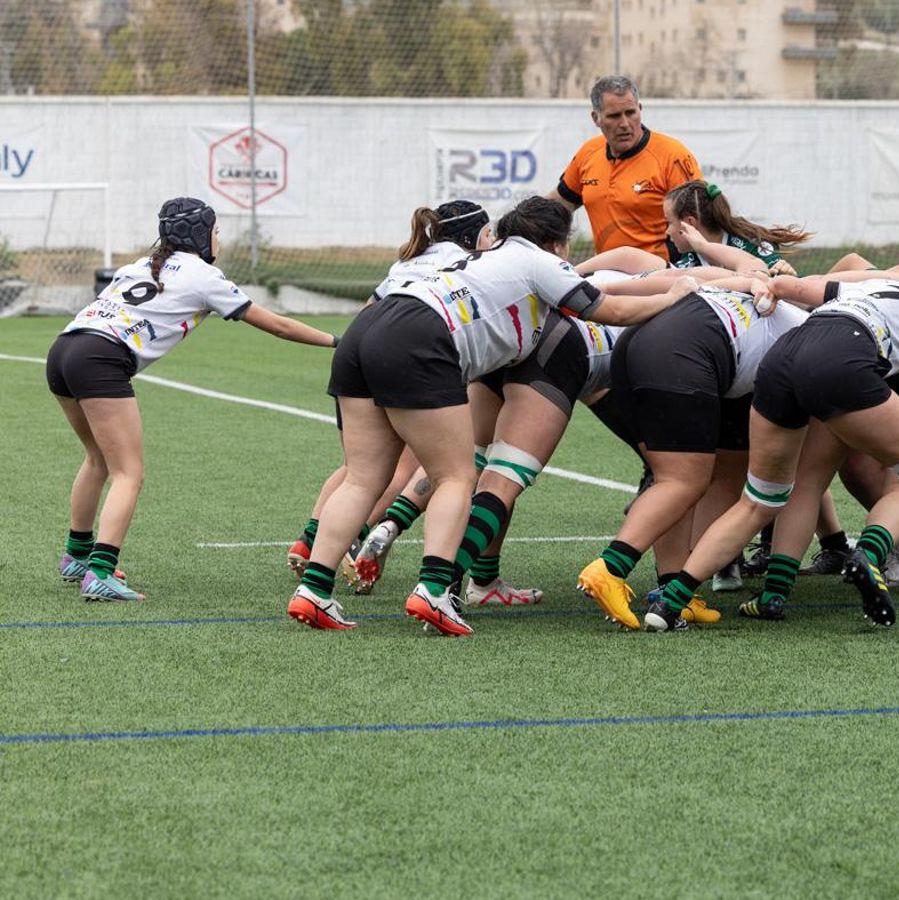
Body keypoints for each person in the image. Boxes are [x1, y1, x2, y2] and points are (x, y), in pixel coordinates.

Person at [287, 196, 693, 636]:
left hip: (366, 327)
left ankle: (314, 590)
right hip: (419, 335)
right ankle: (435, 590)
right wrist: (673, 295)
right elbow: (610, 310)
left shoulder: (488, 254)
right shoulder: (540, 261)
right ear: (559, 242)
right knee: (458, 477)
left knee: (363, 478)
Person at [640, 244, 899, 639]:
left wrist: (769, 289)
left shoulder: (873, 285)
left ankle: (670, 601)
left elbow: (797, 288)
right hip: (843, 357)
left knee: (760, 500)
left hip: (783, 358)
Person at [49, 198, 337, 601]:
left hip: (63, 349)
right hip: (100, 358)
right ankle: (99, 571)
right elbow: (279, 326)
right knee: (128, 473)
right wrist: (339, 342)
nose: (219, 238)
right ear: (201, 234)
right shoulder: (204, 275)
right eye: (216, 230)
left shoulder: (140, 263)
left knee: (98, 459)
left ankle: (76, 555)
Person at [576, 276, 808, 629]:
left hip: (640, 342)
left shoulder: (780, 310)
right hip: (682, 351)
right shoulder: (809, 332)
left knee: (678, 477)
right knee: (683, 481)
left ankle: (672, 588)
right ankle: (610, 568)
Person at [289, 201, 495, 580]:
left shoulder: (408, 260)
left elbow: (373, 307)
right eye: (489, 234)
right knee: (430, 471)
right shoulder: (472, 265)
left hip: (357, 352)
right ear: (474, 236)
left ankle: (312, 548)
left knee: (359, 471)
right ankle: (429, 582)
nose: (493, 241)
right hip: (409, 354)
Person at [552, 75, 701, 260]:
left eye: (630, 113)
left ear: (640, 109)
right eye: (614, 116)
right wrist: (517, 228)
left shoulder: (672, 155)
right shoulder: (588, 152)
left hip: (662, 276)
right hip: (607, 274)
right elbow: (558, 204)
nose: (624, 124)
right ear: (595, 118)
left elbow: (699, 224)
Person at [663, 180, 806, 275]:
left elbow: (788, 291)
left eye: (669, 222)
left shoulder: (754, 246)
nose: (666, 232)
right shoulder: (684, 265)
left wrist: (786, 278)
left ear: (690, 223)